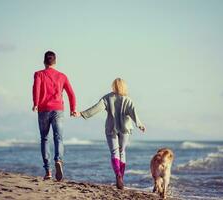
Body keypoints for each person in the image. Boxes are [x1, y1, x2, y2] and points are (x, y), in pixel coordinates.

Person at [75, 78, 145, 189]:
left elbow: (96, 108)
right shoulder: (128, 100)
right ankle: (121, 176)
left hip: (111, 128)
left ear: (114, 86)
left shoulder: (107, 98)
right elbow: (133, 113)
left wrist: (81, 114)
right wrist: (139, 124)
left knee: (114, 152)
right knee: (122, 151)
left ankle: (117, 174)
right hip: (125, 129)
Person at [32, 51, 77, 181]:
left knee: (45, 139)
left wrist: (35, 104)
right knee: (59, 138)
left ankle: (48, 171)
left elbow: (36, 89)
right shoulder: (62, 76)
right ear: (55, 62)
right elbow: (71, 94)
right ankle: (59, 160)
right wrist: (73, 109)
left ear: (44, 61)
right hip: (58, 109)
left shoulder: (39, 74)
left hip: (43, 110)